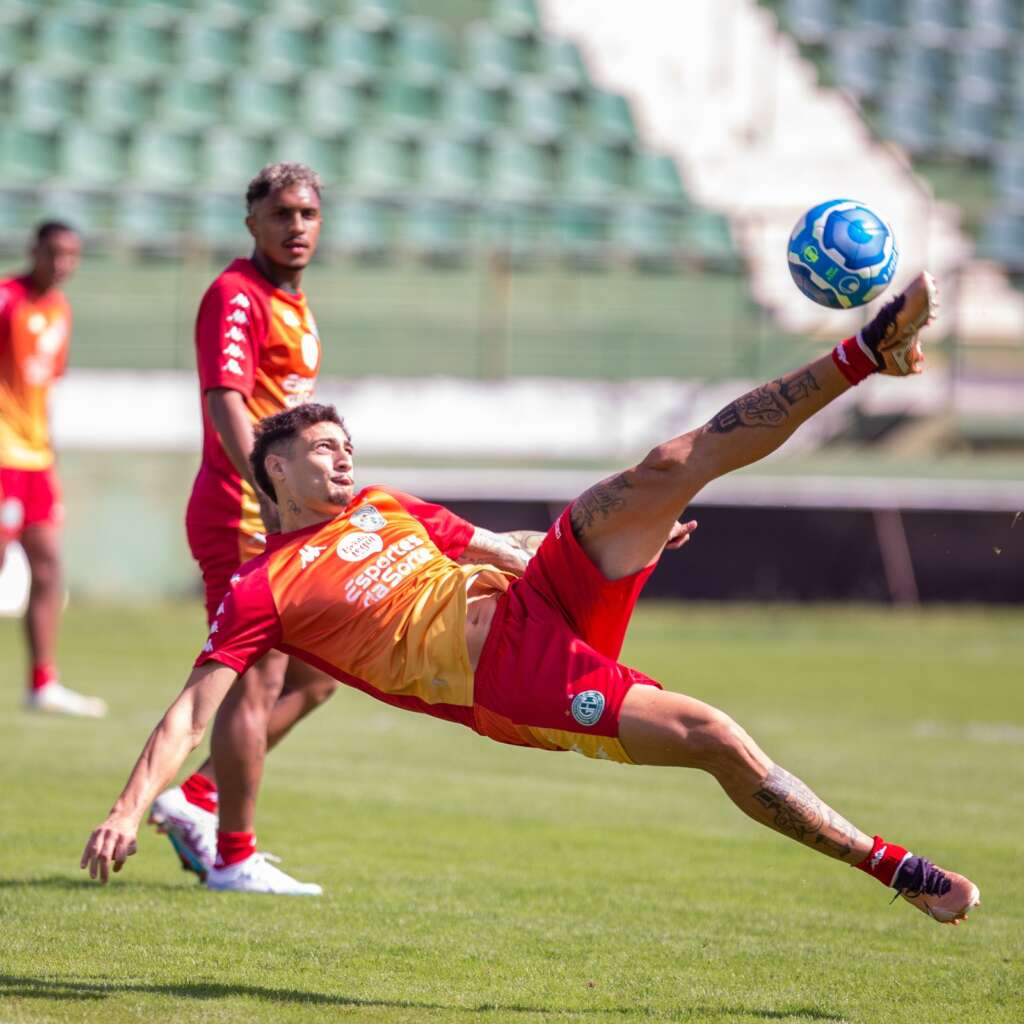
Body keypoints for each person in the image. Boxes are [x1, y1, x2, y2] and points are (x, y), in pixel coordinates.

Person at [82, 272, 980, 923]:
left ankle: (867, 351)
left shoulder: (383, 505)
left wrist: (625, 535)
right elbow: (192, 710)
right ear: (274, 468)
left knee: (669, 466)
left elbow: (502, 549)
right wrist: (128, 806)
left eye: (346, 446)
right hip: (512, 681)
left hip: (540, 594)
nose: (344, 460)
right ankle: (896, 870)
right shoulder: (260, 586)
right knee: (715, 739)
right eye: (325, 451)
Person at [147, 163, 339, 894]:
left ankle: (195, 799)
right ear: (251, 220)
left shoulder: (294, 303)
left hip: (285, 514)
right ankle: (233, 855)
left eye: (308, 215)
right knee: (256, 677)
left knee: (319, 676)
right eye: (282, 213)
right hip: (241, 511)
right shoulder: (235, 294)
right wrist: (265, 483)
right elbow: (226, 398)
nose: (296, 227)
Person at [0, 221, 104, 718]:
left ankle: (43, 683)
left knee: (48, 566)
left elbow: (44, 391)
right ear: (34, 249)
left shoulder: (59, 311)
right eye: (54, 251)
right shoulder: (6, 299)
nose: (62, 262)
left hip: (35, 458)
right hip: (1, 454)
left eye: (71, 254)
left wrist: (50, 450)